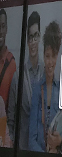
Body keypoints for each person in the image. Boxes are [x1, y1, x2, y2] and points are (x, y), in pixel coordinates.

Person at [28, 21, 62, 154]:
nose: (50, 62)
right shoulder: (37, 90)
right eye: (47, 56)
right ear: (43, 55)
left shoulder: (61, 91)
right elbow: (31, 140)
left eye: (53, 56)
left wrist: (59, 143)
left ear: (58, 56)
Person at [9, 11, 41, 148]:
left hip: (40, 148)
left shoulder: (46, 74)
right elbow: (11, 118)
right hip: (21, 149)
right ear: (27, 41)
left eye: (36, 36)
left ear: (40, 37)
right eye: (30, 37)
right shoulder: (18, 76)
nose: (33, 41)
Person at [0, 9, 16, 147]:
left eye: (3, 26)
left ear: (6, 29)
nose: (0, 31)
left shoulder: (12, 64)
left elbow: (13, 109)